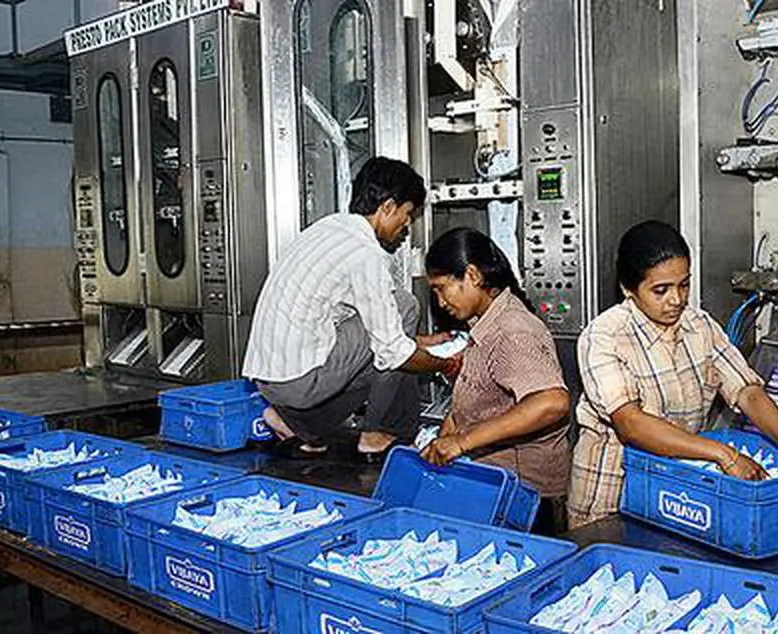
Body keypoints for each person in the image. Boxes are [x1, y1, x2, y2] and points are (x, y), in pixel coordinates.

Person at [567, 220, 778, 529]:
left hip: (677, 492)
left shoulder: (699, 326)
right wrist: (725, 456)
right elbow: (630, 424)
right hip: (612, 496)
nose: (677, 299)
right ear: (628, 289)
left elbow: (746, 390)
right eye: (661, 290)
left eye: (684, 284)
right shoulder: (604, 337)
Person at [242, 157, 461, 460]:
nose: (406, 227)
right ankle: (379, 433)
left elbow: (348, 323)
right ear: (387, 207)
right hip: (300, 381)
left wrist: (422, 343)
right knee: (405, 306)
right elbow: (392, 351)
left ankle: (298, 425)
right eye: (407, 214)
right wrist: (447, 365)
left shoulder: (326, 229)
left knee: (392, 335)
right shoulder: (365, 253)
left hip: (269, 379)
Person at [419, 228, 572, 534]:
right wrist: (450, 428)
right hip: (493, 485)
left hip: (524, 497)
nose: (439, 301)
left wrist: (462, 442)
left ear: (472, 275)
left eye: (441, 288)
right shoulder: (484, 325)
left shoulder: (511, 330)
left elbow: (552, 402)